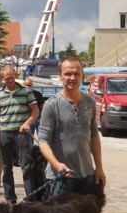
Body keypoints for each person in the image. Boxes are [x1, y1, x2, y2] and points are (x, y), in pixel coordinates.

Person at [38, 56, 106, 195]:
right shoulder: (52, 105)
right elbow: (43, 140)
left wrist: (99, 168)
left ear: (82, 76)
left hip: (87, 176)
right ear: (60, 76)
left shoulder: (90, 102)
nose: (72, 78)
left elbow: (93, 136)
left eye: (76, 74)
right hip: (61, 177)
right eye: (68, 74)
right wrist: (57, 165)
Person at [0, 65, 39, 205]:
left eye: (12, 77)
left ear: (15, 75)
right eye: (7, 78)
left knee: (27, 166)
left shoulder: (26, 91)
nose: (10, 80)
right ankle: (10, 199)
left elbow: (35, 110)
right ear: (2, 78)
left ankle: (31, 199)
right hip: (4, 133)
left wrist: (28, 123)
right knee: (6, 167)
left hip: (22, 134)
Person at [23, 78, 45, 142]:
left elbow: (42, 106)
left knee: (42, 139)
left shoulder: (38, 94)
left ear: (32, 85)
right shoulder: (23, 95)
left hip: (38, 120)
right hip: (29, 121)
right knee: (29, 141)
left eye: (29, 85)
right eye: (26, 85)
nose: (28, 87)